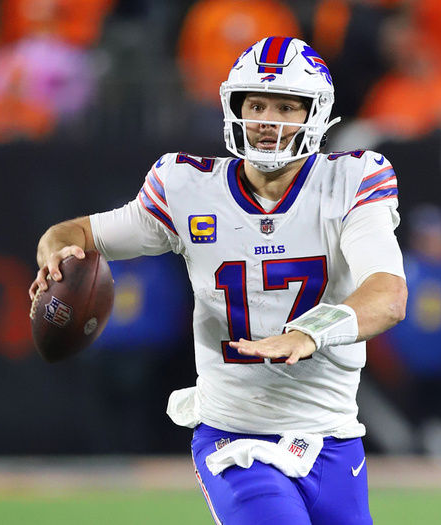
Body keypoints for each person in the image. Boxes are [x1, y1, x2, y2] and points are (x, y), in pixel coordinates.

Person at [29, 36, 407, 525]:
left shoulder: (351, 181)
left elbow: (389, 295)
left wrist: (308, 333)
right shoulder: (187, 187)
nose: (268, 121)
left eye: (287, 107)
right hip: (236, 434)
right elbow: (75, 233)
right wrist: (53, 255)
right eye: (257, 104)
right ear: (235, 108)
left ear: (316, 113)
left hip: (333, 434)